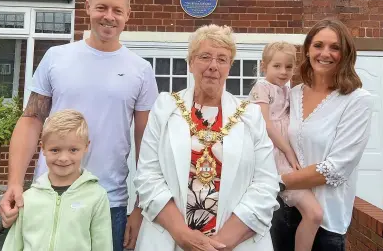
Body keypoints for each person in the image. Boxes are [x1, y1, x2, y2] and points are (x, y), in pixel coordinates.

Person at [0, 0, 158, 251]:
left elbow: (147, 142)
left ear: (127, 15)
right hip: (48, 194)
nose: (109, 17)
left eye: (117, 11)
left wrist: (140, 207)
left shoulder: (140, 70)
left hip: (110, 201)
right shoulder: (56, 57)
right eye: (101, 8)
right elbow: (31, 121)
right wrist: (14, 183)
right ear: (87, 7)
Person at [133, 24, 279, 251]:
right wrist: (183, 236)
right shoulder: (165, 107)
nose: (213, 66)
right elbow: (148, 176)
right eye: (205, 57)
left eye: (222, 59)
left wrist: (221, 244)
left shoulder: (250, 115)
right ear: (191, 62)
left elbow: (266, 183)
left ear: (230, 66)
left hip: (234, 243)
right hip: (170, 239)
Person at [270, 18, 373, 251]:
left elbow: (335, 168)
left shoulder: (357, 101)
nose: (325, 53)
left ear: (345, 53)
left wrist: (275, 181)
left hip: (325, 222)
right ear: (307, 50)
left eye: (334, 47)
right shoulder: (293, 94)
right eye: (318, 45)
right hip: (283, 211)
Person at [2, 109, 113, 251]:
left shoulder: (96, 196)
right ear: (43, 148)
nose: (63, 158)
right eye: (55, 150)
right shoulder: (28, 198)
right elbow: (13, 244)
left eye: (73, 150)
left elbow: (102, 245)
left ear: (86, 147)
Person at [249, 42, 323, 251]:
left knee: (309, 214)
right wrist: (288, 151)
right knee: (313, 213)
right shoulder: (262, 88)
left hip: (288, 154)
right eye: (277, 66)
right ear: (264, 66)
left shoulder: (289, 90)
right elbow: (265, 124)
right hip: (275, 156)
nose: (283, 72)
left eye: (289, 67)